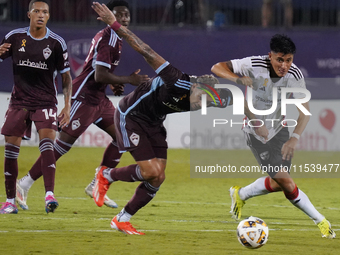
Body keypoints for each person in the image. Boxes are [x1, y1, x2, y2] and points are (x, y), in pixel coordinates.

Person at [90, 2, 231, 235]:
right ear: (194, 86)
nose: (199, 104)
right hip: (131, 115)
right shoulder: (177, 80)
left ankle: (121, 219)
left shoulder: (213, 98)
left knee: (158, 177)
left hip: (154, 121)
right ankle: (105, 174)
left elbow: (238, 101)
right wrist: (114, 24)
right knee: (149, 171)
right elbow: (145, 50)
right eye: (199, 98)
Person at [15, 0, 149, 211]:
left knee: (123, 136)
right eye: (118, 15)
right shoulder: (107, 39)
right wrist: (127, 80)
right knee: (60, 148)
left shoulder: (118, 38)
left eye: (126, 15)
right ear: (108, 17)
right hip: (84, 98)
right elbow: (99, 74)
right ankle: (23, 184)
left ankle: (97, 184)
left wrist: (114, 84)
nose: (123, 19)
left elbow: (102, 74)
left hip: (99, 99)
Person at [211, 34, 336, 239]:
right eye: (280, 59)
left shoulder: (294, 75)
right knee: (287, 183)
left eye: (288, 60)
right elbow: (216, 67)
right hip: (256, 133)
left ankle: (240, 194)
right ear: (270, 56)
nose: (284, 65)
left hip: (281, 131)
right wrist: (238, 78)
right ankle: (321, 221)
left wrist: (294, 138)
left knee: (279, 183)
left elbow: (305, 111)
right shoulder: (253, 64)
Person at [0, 0, 72, 214]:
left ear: (49, 16)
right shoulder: (15, 37)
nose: (41, 15)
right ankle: (10, 201)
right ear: (28, 14)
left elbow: (66, 77)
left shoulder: (57, 43)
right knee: (11, 151)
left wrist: (67, 106)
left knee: (48, 143)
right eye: (37, 11)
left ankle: (49, 194)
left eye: (45, 12)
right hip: (19, 102)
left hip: (45, 101)